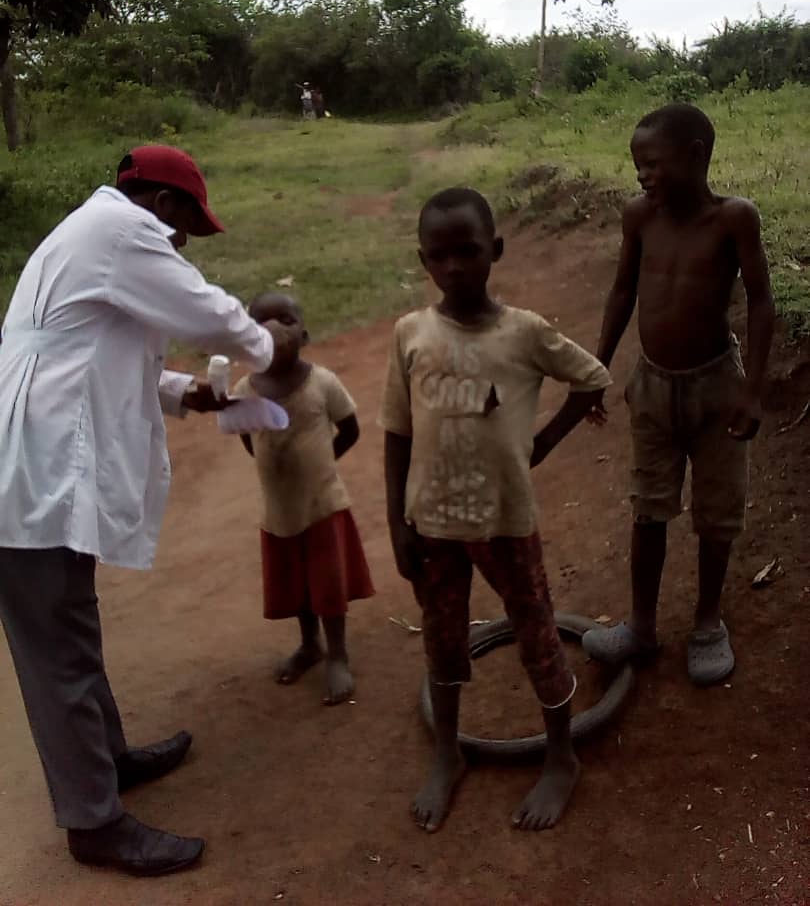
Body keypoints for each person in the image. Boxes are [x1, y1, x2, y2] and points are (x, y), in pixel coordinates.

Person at [0, 144, 297, 877]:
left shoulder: (83, 236)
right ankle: (93, 822)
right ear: (163, 205)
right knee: (57, 653)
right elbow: (207, 312)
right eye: (185, 226)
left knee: (71, 626)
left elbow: (87, 346)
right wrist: (270, 344)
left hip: (34, 465)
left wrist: (181, 392)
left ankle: (106, 762)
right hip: (32, 475)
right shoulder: (123, 231)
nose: (183, 243)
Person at [380, 187, 611, 834]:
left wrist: (541, 442)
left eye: (469, 251)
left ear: (496, 251)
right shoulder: (410, 334)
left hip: (505, 520)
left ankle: (561, 756)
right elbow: (397, 432)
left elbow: (592, 377)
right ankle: (448, 753)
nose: (454, 266)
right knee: (442, 636)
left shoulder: (524, 332)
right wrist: (397, 522)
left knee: (535, 632)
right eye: (439, 255)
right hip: (432, 522)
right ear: (423, 260)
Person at [582, 104, 775, 686]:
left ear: (694, 156)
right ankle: (641, 626)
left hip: (717, 386)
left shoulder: (734, 219)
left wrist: (753, 391)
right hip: (653, 385)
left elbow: (761, 301)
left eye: (652, 163)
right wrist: (597, 366)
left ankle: (708, 623)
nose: (642, 174)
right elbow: (622, 292)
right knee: (649, 507)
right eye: (637, 164)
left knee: (717, 513)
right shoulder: (639, 216)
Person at [234, 292, 374, 706]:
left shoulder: (322, 383)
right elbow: (247, 437)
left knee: (328, 583)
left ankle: (338, 654)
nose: (274, 328)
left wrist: (323, 463)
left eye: (286, 319)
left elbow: (350, 428)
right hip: (279, 510)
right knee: (297, 585)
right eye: (261, 322)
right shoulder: (244, 389)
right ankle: (310, 644)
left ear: (305, 335)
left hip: (322, 506)